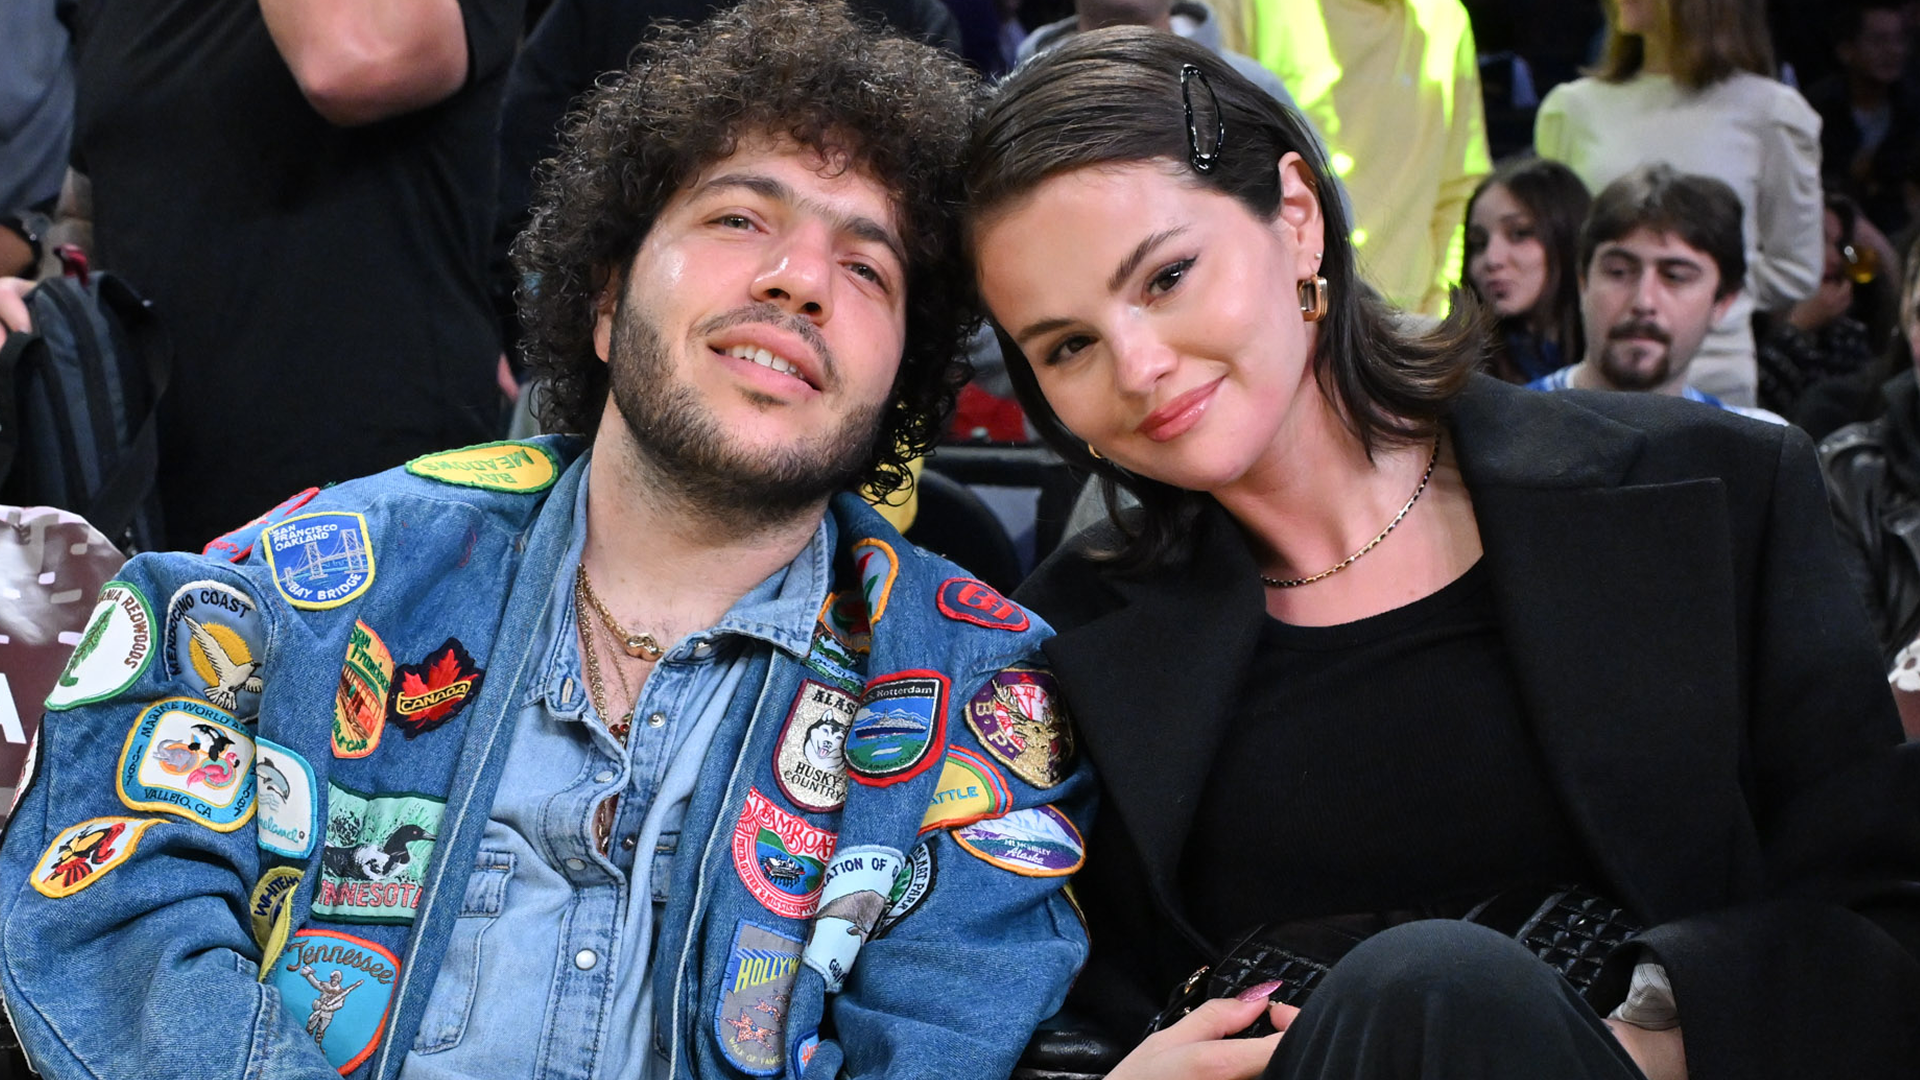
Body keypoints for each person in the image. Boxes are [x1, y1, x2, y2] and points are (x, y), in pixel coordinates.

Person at [0, 4, 1092, 1079]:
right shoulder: (312, 584)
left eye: (867, 269)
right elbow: (108, 904)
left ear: (902, 378)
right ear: (606, 301)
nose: (799, 279)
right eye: (738, 221)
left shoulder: (975, 700)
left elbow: (942, 1034)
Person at [967, 26, 1920, 1080]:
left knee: (1439, 987)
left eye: (1167, 276)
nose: (1138, 366)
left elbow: (1879, 919)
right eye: (1067, 345)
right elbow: (1055, 1008)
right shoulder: (1064, 646)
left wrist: (1642, 1036)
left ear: (1293, 217)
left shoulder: (1719, 492)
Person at [0, 0, 526, 552]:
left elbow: (353, 60)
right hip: (166, 502)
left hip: (368, 492)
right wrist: (43, 301)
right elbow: (100, 201)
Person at [1535, 0, 1823, 409]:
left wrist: (1696, 285)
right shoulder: (1573, 108)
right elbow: (1557, 247)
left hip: (1717, 378)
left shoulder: (1770, 112)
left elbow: (1796, 267)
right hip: (1595, 378)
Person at [1244, 0, 1491, 316]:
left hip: (1407, 322)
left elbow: (1459, 187)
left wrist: (1437, 311)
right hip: (1291, 313)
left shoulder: (1445, 17)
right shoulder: (1251, 6)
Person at [1527, 165, 1787, 425]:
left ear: (1722, 303)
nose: (1643, 302)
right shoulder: (1502, 429)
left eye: (1675, 277)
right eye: (1618, 272)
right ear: (1583, 282)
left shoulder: (1757, 448)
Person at [1462, 157, 1591, 384]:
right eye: (1479, 243)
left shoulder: (1625, 359)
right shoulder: (1462, 376)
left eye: (1519, 233)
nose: (1492, 259)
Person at [1804, 1, 1920, 235]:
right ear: (1846, 50)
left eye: (1899, 40)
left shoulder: (1912, 107)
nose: (1893, 51)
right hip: (1831, 229)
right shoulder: (1818, 108)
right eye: (1879, 41)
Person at [1757, 196, 1880, 415]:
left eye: (1838, 244)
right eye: (1818, 241)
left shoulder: (1848, 335)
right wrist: (1795, 330)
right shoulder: (1743, 321)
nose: (1835, 259)